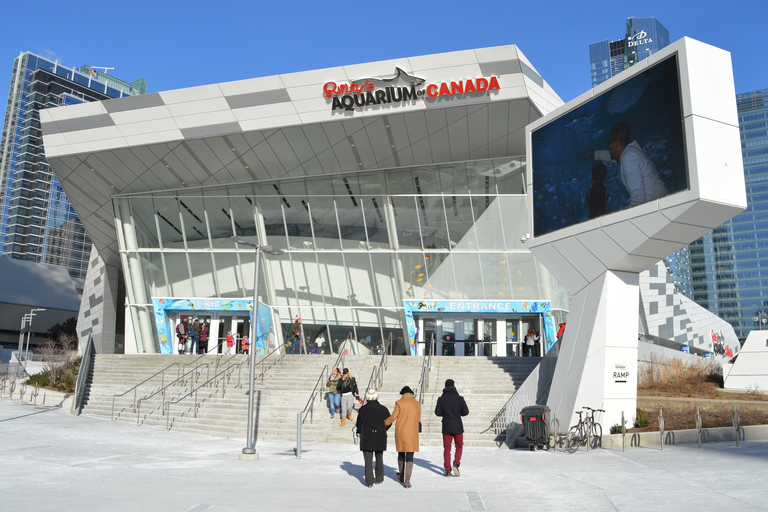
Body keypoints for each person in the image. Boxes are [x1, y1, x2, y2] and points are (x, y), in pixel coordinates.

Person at [582, 121, 666, 207]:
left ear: (616, 143)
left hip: (654, 207)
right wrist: (591, 153)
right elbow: (609, 156)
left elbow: (638, 198)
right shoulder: (630, 152)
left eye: (610, 143)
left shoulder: (628, 159)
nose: (609, 147)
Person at [384, 385, 421, 488]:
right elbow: (418, 418)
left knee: (401, 453)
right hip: (412, 432)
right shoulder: (417, 404)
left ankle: (401, 475)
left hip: (401, 432)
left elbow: (393, 417)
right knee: (410, 455)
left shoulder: (399, 403)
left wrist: (385, 423)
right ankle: (407, 481)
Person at [355, 388, 391, 487]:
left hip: (367, 436)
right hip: (380, 435)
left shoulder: (363, 409)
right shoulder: (383, 409)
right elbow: (389, 421)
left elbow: (358, 423)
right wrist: (384, 429)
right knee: (379, 457)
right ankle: (379, 478)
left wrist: (359, 432)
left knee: (368, 459)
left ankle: (369, 481)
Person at [435, 379, 469, 477]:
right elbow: (465, 412)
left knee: (447, 449)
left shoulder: (441, 399)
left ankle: (448, 470)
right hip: (457, 426)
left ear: (445, 386)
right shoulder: (459, 398)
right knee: (459, 446)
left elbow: (438, 413)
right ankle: (456, 463)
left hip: (446, 426)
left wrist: (446, 413)